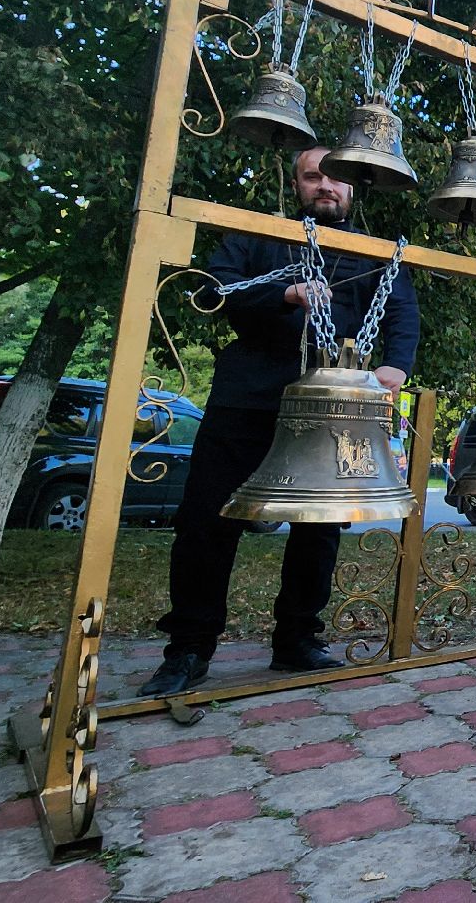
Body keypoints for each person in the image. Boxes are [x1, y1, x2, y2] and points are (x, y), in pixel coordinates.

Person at [138, 147, 420, 697]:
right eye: (313, 176)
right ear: (296, 185)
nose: (326, 186)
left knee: (320, 524)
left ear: (354, 188)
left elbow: (401, 312)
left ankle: (296, 639)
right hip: (249, 396)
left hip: (330, 407)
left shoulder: (375, 253)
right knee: (207, 522)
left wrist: (396, 364)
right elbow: (214, 288)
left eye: (337, 178)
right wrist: (283, 294)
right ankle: (189, 648)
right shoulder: (256, 235)